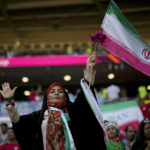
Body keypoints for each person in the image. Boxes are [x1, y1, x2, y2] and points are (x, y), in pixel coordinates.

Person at [0, 53, 106, 150]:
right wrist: (9, 101)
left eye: (60, 91)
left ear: (65, 96)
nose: (56, 93)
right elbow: (18, 122)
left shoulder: (73, 111)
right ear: (47, 97)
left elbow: (85, 95)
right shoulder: (38, 117)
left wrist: (88, 69)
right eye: (52, 92)